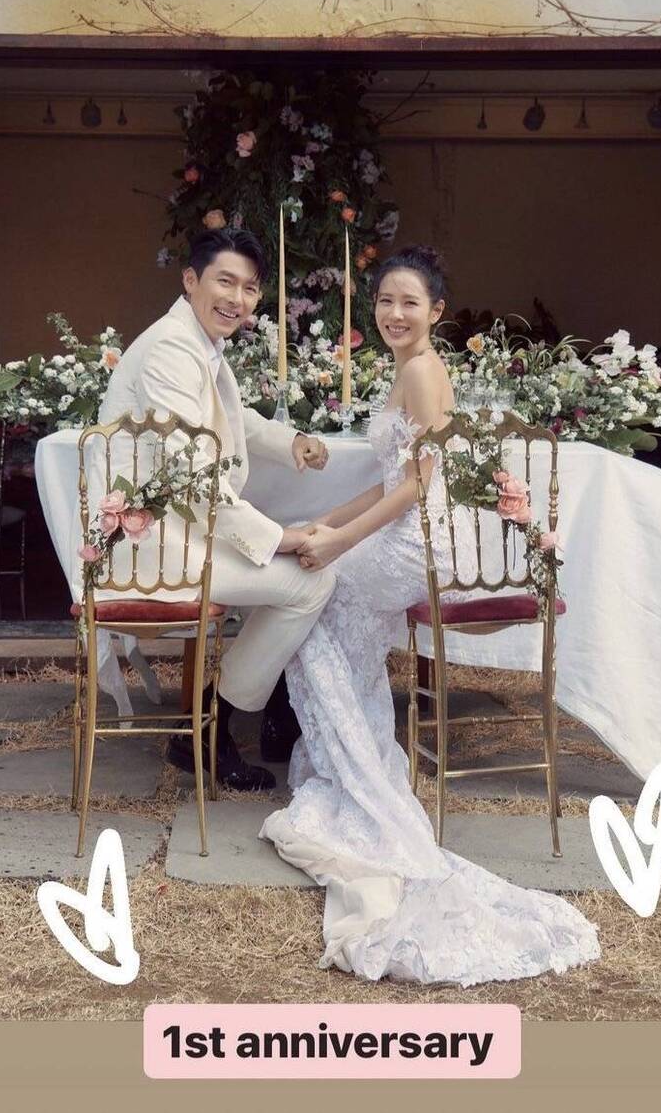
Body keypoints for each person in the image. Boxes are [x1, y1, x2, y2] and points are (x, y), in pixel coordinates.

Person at [260, 245, 600, 986]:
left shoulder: (420, 370)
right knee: (319, 602)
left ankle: (359, 779)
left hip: (416, 543)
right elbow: (392, 476)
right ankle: (350, 763)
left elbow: (419, 484)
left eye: (409, 302)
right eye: (385, 300)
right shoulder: (409, 367)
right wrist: (327, 523)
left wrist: (338, 542)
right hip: (403, 531)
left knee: (312, 601)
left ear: (436, 311)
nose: (394, 313)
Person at [92, 227, 335, 791]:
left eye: (249, 288)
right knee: (312, 582)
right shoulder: (172, 349)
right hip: (149, 548)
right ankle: (209, 727)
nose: (238, 299)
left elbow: (232, 417)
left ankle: (267, 717)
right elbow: (192, 473)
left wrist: (292, 440)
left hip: (176, 533)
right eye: (225, 282)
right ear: (190, 280)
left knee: (293, 573)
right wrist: (280, 537)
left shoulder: (192, 339)